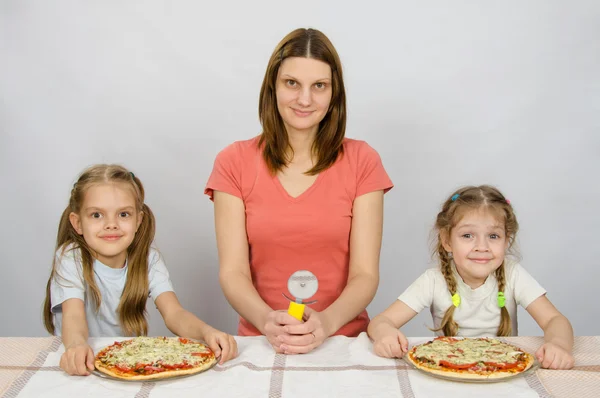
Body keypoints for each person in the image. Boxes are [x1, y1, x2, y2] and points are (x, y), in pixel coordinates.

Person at [205, 28, 393, 354]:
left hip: (343, 342)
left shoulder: (363, 160)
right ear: (272, 88)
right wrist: (267, 321)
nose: (305, 99)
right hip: (261, 342)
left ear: (334, 94)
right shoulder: (232, 161)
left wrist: (327, 323)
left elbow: (364, 275)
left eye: (319, 86)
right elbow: (233, 272)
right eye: (292, 83)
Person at [43, 164, 237, 376]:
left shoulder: (148, 259)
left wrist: (206, 332)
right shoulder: (71, 258)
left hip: (125, 362)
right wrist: (76, 346)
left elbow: (174, 313)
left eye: (123, 214)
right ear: (77, 223)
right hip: (80, 360)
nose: (111, 224)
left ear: (138, 220)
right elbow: (73, 317)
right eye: (97, 215)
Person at [367, 185, 575, 370]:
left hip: (502, 369)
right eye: (468, 235)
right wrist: (385, 333)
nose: (482, 247)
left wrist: (558, 345)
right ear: (447, 240)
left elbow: (555, 320)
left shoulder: (513, 274)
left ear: (506, 241)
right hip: (448, 371)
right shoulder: (433, 280)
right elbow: (380, 321)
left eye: (493, 236)